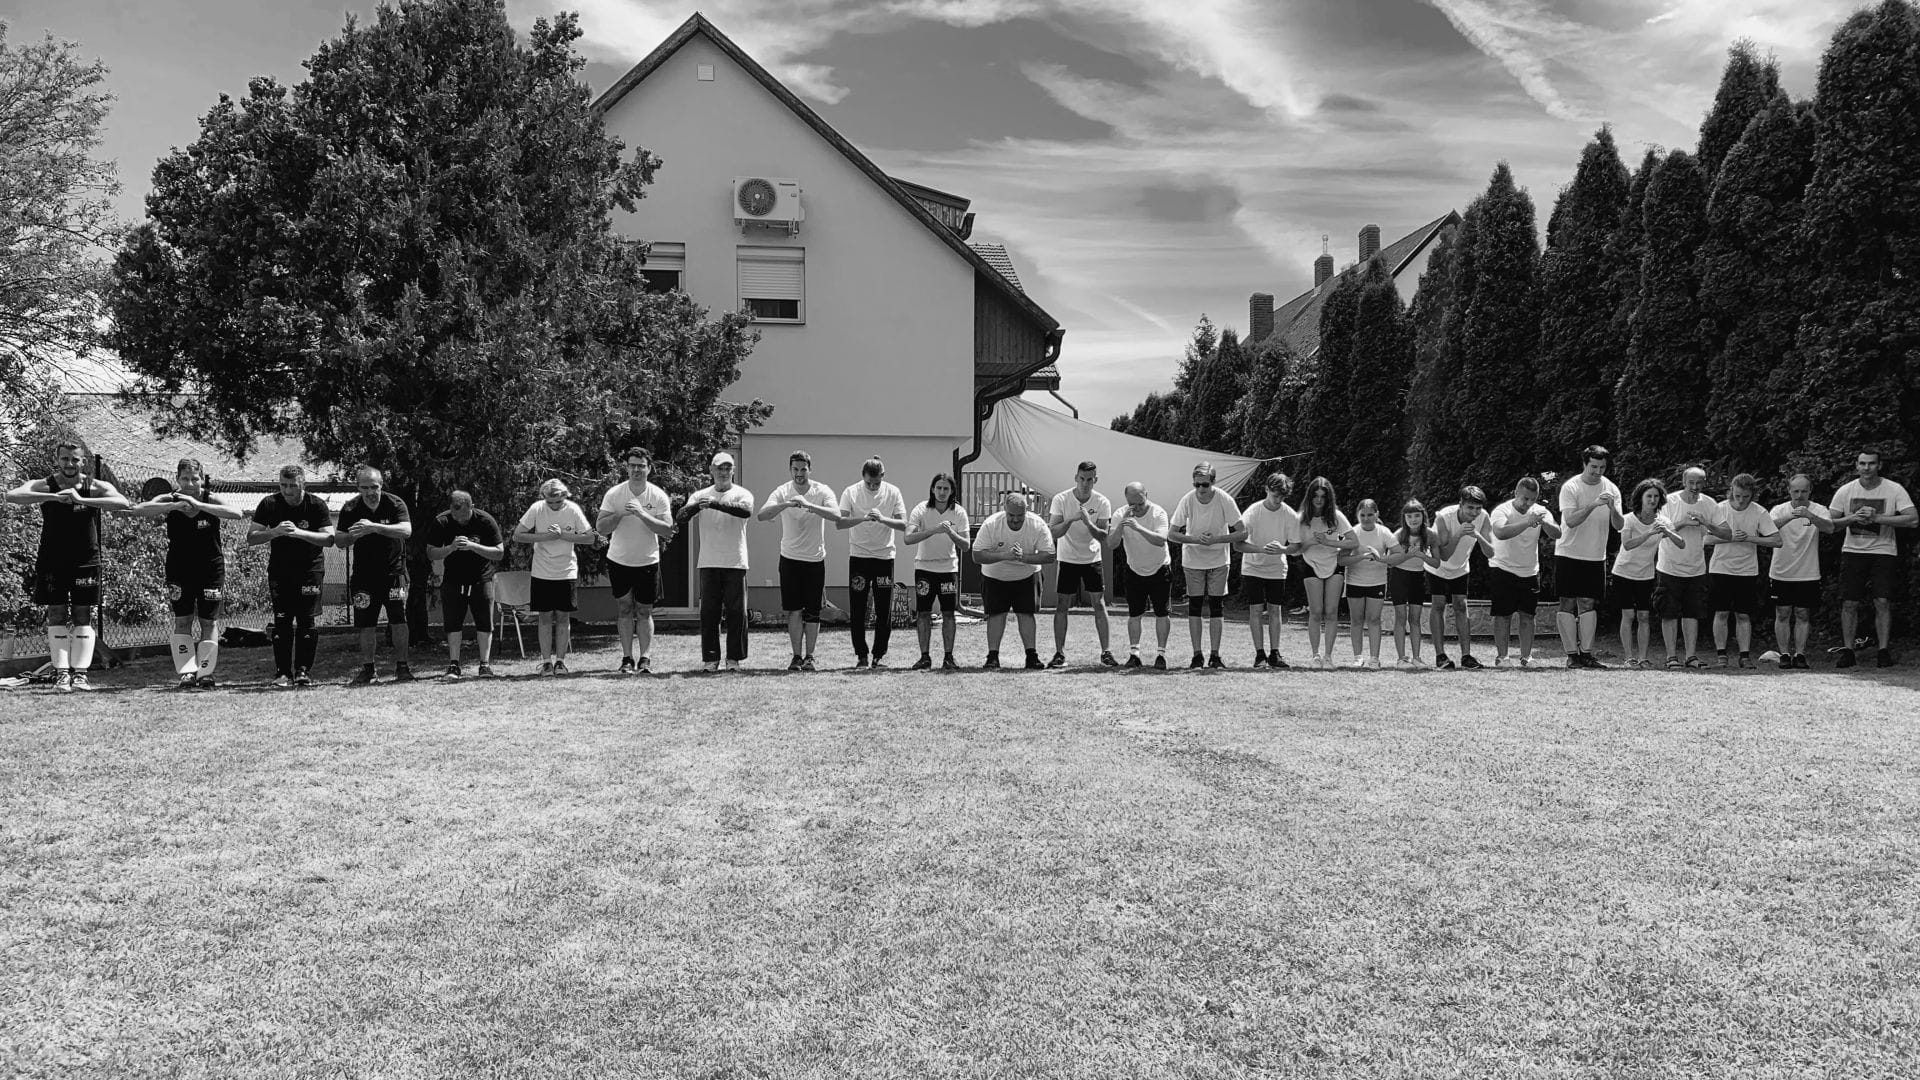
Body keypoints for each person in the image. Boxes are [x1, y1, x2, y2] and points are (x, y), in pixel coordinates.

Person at [5, 441, 131, 692]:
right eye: (65, 459)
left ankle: (81, 674)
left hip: (86, 560)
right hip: (52, 560)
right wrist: (53, 497)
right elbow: (12, 495)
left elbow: (123, 503)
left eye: (75, 459)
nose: (70, 464)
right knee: (57, 615)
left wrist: (81, 499)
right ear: (57, 460)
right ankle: (62, 673)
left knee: (83, 616)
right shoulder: (46, 484)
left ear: (83, 461)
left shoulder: (94, 486)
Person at [128, 458, 244, 688]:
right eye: (185, 479)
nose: (190, 483)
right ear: (177, 479)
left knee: (208, 622)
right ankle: (187, 672)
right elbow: (138, 510)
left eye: (194, 478)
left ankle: (205, 673)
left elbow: (237, 513)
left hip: (210, 569)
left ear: (201, 479)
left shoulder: (209, 498)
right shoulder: (170, 498)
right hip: (179, 569)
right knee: (183, 620)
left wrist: (198, 505)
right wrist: (173, 506)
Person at [248, 464, 334, 688]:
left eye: (292, 486)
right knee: (282, 621)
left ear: (303, 484)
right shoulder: (269, 504)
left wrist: (298, 533)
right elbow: (252, 537)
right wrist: (274, 532)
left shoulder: (316, 505)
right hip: (280, 570)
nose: (287, 490)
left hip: (310, 570)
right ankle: (283, 673)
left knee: (306, 620)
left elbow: (329, 539)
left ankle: (303, 671)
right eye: (283, 485)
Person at [1828, 448, 1915, 668]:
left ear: (1879, 465)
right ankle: (1848, 651)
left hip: (1884, 551)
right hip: (1853, 551)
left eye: (1871, 463)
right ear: (1856, 466)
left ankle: (1883, 651)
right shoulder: (1846, 491)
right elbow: (1829, 523)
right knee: (1849, 602)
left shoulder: (1894, 489)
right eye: (1863, 463)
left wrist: (1878, 518)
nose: (1867, 468)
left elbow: (1913, 519)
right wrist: (1852, 518)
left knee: (1882, 601)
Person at [756, 450, 841, 672]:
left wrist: (808, 505)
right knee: (794, 610)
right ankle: (796, 657)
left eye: (803, 469)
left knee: (812, 612)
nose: (799, 473)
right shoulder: (782, 491)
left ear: (809, 470)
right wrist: (786, 504)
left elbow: (836, 515)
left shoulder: (821, 490)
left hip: (814, 560)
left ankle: (810, 657)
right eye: (795, 469)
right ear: (790, 469)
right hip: (790, 560)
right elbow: (762, 515)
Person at [598, 448, 676, 675]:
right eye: (632, 465)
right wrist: (620, 513)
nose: (636, 470)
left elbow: (667, 530)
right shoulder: (615, 494)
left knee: (644, 611)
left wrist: (642, 514)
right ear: (627, 468)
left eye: (641, 466)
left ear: (649, 469)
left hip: (647, 561)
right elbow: (601, 528)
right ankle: (626, 658)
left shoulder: (657, 495)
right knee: (624, 608)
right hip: (619, 560)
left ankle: (645, 658)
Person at [336, 466, 415, 684]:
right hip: (364, 577)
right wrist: (353, 535)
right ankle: (368, 670)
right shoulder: (351, 508)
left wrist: (374, 527)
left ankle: (402, 668)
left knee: (399, 620)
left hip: (394, 574)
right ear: (358, 488)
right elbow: (339, 540)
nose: (370, 492)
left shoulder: (395, 503)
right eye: (365, 488)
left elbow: (406, 531)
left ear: (381, 485)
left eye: (374, 487)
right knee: (366, 624)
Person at [680, 452, 755, 672]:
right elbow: (681, 516)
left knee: (737, 613)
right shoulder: (700, 495)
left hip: (735, 562)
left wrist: (715, 504)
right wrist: (697, 506)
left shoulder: (742, 493)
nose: (724, 472)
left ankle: (734, 659)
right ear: (711, 470)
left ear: (733, 471)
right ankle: (711, 659)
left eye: (728, 468)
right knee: (709, 613)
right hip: (709, 562)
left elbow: (746, 511)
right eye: (719, 468)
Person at [513, 479, 595, 675]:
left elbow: (589, 537)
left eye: (558, 502)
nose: (554, 506)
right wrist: (545, 537)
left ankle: (560, 662)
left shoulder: (573, 509)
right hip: (542, 571)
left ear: (565, 496)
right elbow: (518, 535)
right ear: (544, 498)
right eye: (550, 502)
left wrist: (562, 536)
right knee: (544, 616)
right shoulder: (537, 508)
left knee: (563, 616)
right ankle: (546, 662)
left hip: (566, 571)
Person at [1169, 462, 1245, 669]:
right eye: (1197, 485)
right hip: (1193, 560)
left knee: (1216, 607)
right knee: (1194, 606)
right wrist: (1195, 539)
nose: (1200, 489)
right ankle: (1196, 655)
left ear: (1213, 482)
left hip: (1219, 560)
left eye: (1205, 485)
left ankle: (1215, 656)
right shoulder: (1188, 499)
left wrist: (1216, 539)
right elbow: (1172, 533)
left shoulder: (1224, 499)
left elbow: (1243, 532)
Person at [1553, 446, 1623, 669]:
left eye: (1602, 467)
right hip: (1568, 552)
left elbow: (1619, 525)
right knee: (1567, 602)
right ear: (1584, 464)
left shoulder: (1611, 488)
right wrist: (1594, 504)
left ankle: (1586, 654)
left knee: (1588, 603)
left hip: (1595, 555)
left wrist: (1613, 508)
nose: (1598, 472)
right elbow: (1570, 520)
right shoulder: (1571, 487)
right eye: (1594, 466)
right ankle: (1571, 654)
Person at [1703, 472, 1781, 669]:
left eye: (1745, 496)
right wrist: (1729, 538)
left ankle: (1744, 656)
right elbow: (1706, 539)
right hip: (1721, 568)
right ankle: (1721, 656)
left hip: (1747, 570)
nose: (1741, 500)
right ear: (1731, 491)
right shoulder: (1719, 509)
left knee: (1743, 614)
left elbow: (1776, 540)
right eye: (1737, 495)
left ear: (1752, 494)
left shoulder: (1759, 512)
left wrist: (1749, 538)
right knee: (1721, 612)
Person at [836, 457, 908, 669]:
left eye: (876, 483)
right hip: (859, 556)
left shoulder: (893, 492)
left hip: (884, 557)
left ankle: (878, 656)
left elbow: (904, 524)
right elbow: (840, 523)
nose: (873, 487)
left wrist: (883, 519)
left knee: (884, 609)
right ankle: (861, 655)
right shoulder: (851, 492)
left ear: (883, 477)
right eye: (869, 483)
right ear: (863, 477)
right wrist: (863, 518)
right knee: (858, 608)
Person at [426, 490, 505, 679]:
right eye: (456, 516)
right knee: (453, 624)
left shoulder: (485, 521)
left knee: (485, 623)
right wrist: (451, 548)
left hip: (481, 579)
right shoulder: (442, 521)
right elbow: (431, 552)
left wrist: (473, 546)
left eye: (464, 516)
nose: (460, 520)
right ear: (450, 509)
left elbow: (499, 553)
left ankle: (485, 665)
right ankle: (454, 665)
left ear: (472, 507)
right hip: (453, 580)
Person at [971, 490, 1054, 669]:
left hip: (1027, 575)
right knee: (996, 614)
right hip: (995, 576)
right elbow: (977, 555)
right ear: (1004, 509)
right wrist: (1005, 555)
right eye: (1011, 515)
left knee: (1026, 613)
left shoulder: (1037, 524)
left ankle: (1031, 656)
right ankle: (992, 657)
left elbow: (1049, 555)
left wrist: (1024, 558)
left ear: (1027, 511)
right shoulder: (991, 524)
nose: (1015, 520)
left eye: (1020, 516)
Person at [1046, 461, 1117, 668]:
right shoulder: (1061, 499)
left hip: (1092, 559)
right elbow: (1054, 532)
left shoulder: (1102, 501)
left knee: (1099, 603)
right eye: (1082, 479)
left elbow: (1103, 536)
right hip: (1067, 559)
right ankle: (1059, 653)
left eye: (1090, 480)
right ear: (1076, 478)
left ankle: (1106, 652)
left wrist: (1087, 522)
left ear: (1096, 480)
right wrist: (1070, 520)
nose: (1085, 484)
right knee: (1062, 604)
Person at [1488, 476, 1561, 668]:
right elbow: (1500, 532)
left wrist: (1544, 523)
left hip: (1529, 571)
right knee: (1503, 615)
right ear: (1516, 494)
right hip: (1502, 567)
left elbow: (1557, 533)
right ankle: (1502, 657)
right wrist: (1527, 523)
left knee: (1528, 615)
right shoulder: (1502, 511)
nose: (1528, 503)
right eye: (1525, 499)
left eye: (1533, 499)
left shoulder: (1540, 511)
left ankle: (1526, 657)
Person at [903, 472, 970, 671]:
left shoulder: (959, 512)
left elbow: (966, 545)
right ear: (932, 489)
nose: (942, 492)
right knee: (923, 613)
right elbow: (908, 538)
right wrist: (934, 530)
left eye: (946, 488)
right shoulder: (921, 509)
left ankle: (948, 657)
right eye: (938, 488)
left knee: (948, 613)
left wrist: (950, 532)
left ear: (952, 491)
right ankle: (924, 657)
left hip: (948, 569)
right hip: (924, 568)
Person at [1654, 466, 1719, 669]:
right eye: (1691, 482)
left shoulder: (1709, 503)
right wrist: (1683, 522)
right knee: (1669, 613)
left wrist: (1705, 523)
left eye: (1699, 483)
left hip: (1696, 567)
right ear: (1683, 481)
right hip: (1669, 566)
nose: (1695, 487)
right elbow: (1659, 532)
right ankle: (1671, 657)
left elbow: (1724, 532)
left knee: (1692, 613)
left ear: (1704, 483)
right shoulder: (1668, 502)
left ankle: (1691, 656)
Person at [1767, 474, 1833, 670]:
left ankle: (1800, 654)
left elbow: (1830, 528)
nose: (1799, 495)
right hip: (1781, 571)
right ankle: (1784, 654)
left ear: (1810, 491)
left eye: (1804, 491)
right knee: (1782, 613)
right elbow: (1766, 529)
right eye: (1795, 491)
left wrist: (1810, 516)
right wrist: (1791, 516)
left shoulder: (1819, 509)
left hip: (1808, 572)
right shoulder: (1779, 510)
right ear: (1789, 491)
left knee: (1803, 614)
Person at [1234, 472, 1298, 669]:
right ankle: (1259, 654)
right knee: (1255, 609)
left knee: (1275, 609)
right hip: (1253, 568)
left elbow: (1296, 547)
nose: (1278, 500)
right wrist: (1261, 549)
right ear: (1266, 490)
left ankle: (1275, 653)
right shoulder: (1252, 512)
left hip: (1277, 569)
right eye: (1275, 495)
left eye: (1282, 496)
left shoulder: (1289, 514)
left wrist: (1283, 549)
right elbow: (1238, 544)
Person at [1612, 479, 1676, 670]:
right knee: (1628, 615)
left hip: (1646, 575)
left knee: (1644, 616)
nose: (1652, 500)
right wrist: (1649, 533)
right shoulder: (1629, 519)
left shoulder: (1663, 521)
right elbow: (1627, 544)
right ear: (1640, 497)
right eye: (1649, 496)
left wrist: (1669, 532)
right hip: (1623, 572)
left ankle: (1643, 658)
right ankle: (1629, 657)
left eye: (1656, 496)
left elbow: (1681, 543)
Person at [1109, 482, 1174, 669]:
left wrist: (1138, 527)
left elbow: (1161, 540)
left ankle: (1161, 655)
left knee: (1162, 613)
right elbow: (1111, 544)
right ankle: (1134, 654)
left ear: (1147, 495)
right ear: (1126, 500)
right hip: (1134, 569)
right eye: (1132, 505)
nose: (1136, 508)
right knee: (1134, 614)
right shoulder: (1120, 514)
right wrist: (1122, 525)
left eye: (1140, 504)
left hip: (1160, 568)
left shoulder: (1158, 513)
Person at [1427, 488, 1492, 670]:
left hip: (1460, 568)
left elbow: (1490, 552)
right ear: (1461, 504)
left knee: (1461, 606)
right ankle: (1440, 656)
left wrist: (1478, 536)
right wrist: (1459, 534)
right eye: (1470, 508)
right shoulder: (1443, 517)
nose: (1474, 513)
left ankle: (1466, 656)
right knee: (1438, 604)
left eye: (1478, 508)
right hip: (1437, 566)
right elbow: (1444, 555)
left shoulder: (1483, 517)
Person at [1296, 476, 1355, 670]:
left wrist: (1329, 542)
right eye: (1316, 496)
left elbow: (1353, 542)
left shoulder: (1336, 516)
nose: (1319, 500)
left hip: (1334, 565)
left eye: (1323, 496)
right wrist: (1311, 542)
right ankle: (1315, 655)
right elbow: (1294, 550)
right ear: (1310, 497)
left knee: (1331, 611)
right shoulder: (1301, 518)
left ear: (1329, 498)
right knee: (1315, 611)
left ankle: (1328, 656)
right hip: (1310, 564)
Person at [1387, 500, 1438, 671]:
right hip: (1399, 577)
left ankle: (1416, 657)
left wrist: (1423, 556)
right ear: (1404, 518)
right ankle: (1401, 658)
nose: (1413, 520)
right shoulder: (1399, 535)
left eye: (1417, 515)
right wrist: (1408, 555)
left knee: (1415, 619)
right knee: (1401, 618)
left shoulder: (1430, 535)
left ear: (1423, 516)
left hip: (1417, 577)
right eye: (1409, 516)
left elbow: (1437, 562)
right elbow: (1390, 562)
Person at [1341, 498, 1393, 669]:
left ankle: (1374, 659)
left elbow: (1397, 555)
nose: (1366, 518)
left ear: (1376, 514)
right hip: (1354, 582)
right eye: (1362, 515)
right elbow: (1341, 560)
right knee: (1356, 620)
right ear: (1357, 515)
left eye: (1370, 515)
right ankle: (1358, 657)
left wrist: (1381, 559)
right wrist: (1361, 557)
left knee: (1374, 620)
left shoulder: (1384, 532)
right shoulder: (1352, 533)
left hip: (1377, 582)